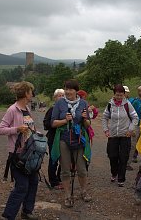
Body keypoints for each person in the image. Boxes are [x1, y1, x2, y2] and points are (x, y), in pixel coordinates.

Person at [0, 81, 39, 220]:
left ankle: (27, 211)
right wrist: (16, 129)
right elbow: (0, 130)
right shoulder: (12, 110)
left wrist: (37, 134)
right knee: (22, 186)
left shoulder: (27, 108)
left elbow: (30, 128)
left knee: (33, 183)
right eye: (31, 91)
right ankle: (8, 216)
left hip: (30, 152)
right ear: (26, 93)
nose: (32, 94)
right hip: (18, 154)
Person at [50, 79, 92, 208]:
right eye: (66, 89)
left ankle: (84, 192)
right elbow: (53, 123)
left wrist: (85, 119)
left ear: (76, 91)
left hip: (79, 139)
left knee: (81, 169)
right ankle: (68, 195)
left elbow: (88, 124)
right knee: (65, 170)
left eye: (71, 89)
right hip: (64, 139)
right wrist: (64, 120)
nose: (68, 92)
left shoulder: (83, 103)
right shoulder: (59, 103)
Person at [102, 84, 138, 187]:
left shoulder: (127, 104)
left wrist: (131, 129)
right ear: (114, 94)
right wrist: (106, 130)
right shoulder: (110, 105)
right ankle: (114, 173)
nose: (119, 97)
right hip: (113, 135)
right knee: (112, 156)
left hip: (125, 135)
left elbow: (135, 117)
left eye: (121, 95)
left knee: (123, 157)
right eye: (117, 95)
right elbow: (105, 117)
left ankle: (121, 178)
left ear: (124, 95)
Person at [43, 89, 64, 190]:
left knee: (64, 160)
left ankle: (59, 178)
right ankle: (53, 181)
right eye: (59, 96)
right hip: (53, 138)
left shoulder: (66, 109)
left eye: (62, 95)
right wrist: (56, 124)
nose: (61, 97)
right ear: (55, 98)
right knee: (54, 159)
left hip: (64, 138)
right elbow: (46, 124)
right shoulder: (52, 109)